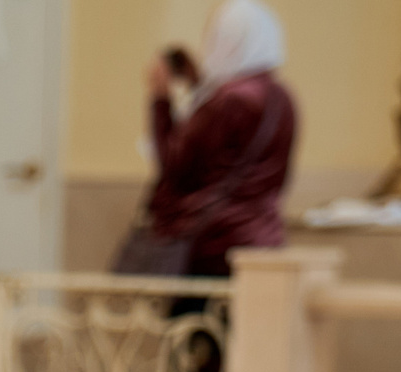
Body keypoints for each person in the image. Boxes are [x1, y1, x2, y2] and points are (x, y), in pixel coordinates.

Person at [122, 0, 297, 279]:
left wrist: (160, 97)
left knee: (189, 310)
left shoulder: (227, 100)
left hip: (212, 244)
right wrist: (199, 84)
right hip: (263, 240)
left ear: (229, 39)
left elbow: (175, 165)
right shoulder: (283, 97)